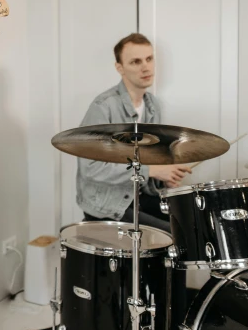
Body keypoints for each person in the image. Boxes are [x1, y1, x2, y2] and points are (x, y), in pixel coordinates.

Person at [76, 33, 191, 232]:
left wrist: (165, 173)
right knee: (174, 233)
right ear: (119, 68)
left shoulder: (153, 106)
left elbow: (147, 156)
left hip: (137, 195)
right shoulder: (103, 107)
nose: (145, 67)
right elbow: (91, 168)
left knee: (193, 221)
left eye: (149, 59)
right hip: (108, 204)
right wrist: (151, 171)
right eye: (135, 62)